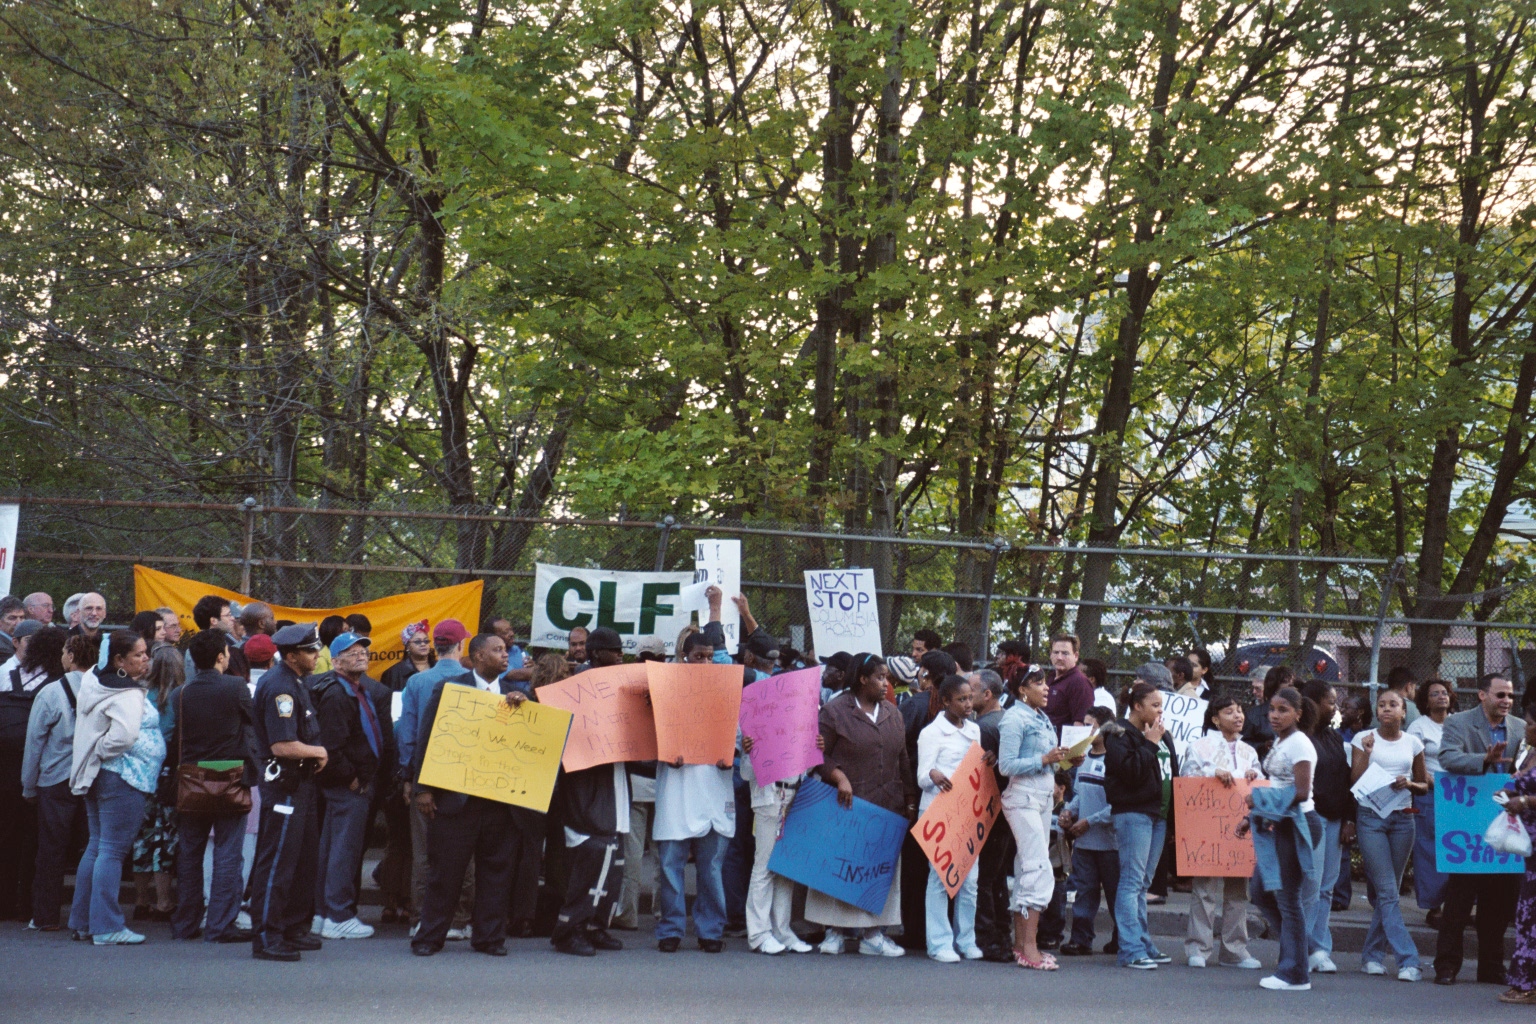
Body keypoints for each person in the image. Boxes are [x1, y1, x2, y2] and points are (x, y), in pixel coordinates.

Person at [409, 638, 530, 958]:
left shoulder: (516, 695)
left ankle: (489, 937)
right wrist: (422, 788)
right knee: (445, 872)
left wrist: (524, 710)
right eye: (498, 650)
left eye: (506, 651)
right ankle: (429, 936)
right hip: (456, 799)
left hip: (500, 803)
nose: (506, 655)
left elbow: (527, 745)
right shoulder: (450, 689)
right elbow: (428, 736)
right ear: (478, 656)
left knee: (496, 872)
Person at [811, 652, 916, 956]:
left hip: (886, 804)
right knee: (840, 869)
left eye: (887, 678)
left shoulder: (893, 713)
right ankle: (834, 931)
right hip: (846, 803)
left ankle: (873, 934)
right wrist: (838, 776)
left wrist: (909, 799)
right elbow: (817, 755)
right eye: (881, 677)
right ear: (862, 679)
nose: (887, 683)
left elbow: (903, 759)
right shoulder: (834, 711)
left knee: (877, 872)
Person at [68, 629, 163, 945]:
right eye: (138, 654)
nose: (146, 658)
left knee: (97, 845)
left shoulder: (96, 680)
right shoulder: (126, 693)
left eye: (146, 652)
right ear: (119, 660)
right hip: (124, 777)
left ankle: (84, 921)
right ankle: (106, 926)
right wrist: (103, 750)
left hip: (100, 776)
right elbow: (122, 737)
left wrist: (98, 753)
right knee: (111, 850)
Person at [1434, 673, 1525, 986]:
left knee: (1500, 902)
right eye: (1500, 695)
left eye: (1510, 696)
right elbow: (1447, 757)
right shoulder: (1459, 723)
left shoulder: (1519, 728)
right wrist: (1484, 760)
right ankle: (1446, 966)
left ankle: (1491, 967)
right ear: (1482, 695)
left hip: (1506, 822)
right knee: (1459, 900)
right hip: (1469, 824)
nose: (1506, 701)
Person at [247, 623, 330, 961]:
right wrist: (318, 752)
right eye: (310, 651)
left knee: (301, 860)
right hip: (285, 783)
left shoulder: (296, 681)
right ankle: (267, 936)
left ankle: (293, 926)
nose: (316, 655)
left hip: (301, 785)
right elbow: (282, 745)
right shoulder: (281, 687)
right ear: (293, 655)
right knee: (278, 860)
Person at [169, 628, 256, 943]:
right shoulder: (236, 687)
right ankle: (220, 924)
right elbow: (252, 723)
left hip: (191, 778)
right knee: (228, 852)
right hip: (230, 776)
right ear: (221, 656)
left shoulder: (182, 693)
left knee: (189, 853)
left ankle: (186, 923)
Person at [395, 618, 473, 935]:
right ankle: (459, 919)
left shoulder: (416, 682)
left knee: (424, 851)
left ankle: (421, 919)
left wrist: (408, 777)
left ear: (435, 646)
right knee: (464, 851)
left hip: (425, 776)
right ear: (461, 645)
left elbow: (407, 734)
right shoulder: (475, 682)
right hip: (465, 779)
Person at [1244, 686, 1323, 992]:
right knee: (1261, 891)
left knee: (1288, 899)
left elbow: (1301, 792)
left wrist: (1259, 800)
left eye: (1282, 710)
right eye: (1272, 710)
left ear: (1298, 714)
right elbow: (1279, 783)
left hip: (1300, 823)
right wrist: (1248, 817)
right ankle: (1297, 951)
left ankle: (1295, 973)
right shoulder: (1281, 740)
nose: (1274, 716)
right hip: (1279, 821)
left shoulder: (1300, 744)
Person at [1351, 688, 1429, 981]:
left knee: (1389, 893)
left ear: (1403, 711)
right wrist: (1368, 754)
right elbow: (1355, 781)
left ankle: (1371, 957)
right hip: (1371, 818)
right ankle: (1409, 960)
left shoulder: (1413, 742)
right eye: (1381, 705)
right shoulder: (1364, 739)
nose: (1386, 709)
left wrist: (1408, 783)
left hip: (1402, 819)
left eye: (1392, 705)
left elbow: (1424, 785)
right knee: (1386, 891)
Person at [309, 631, 383, 940]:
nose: (361, 656)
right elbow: (332, 747)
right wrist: (353, 779)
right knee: (344, 850)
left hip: (348, 784)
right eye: (352, 653)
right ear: (336, 661)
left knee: (332, 849)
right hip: (348, 787)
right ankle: (338, 914)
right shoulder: (338, 694)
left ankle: (322, 913)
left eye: (364, 651)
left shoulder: (353, 689)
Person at [1180, 694, 1262, 969]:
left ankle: (1234, 949)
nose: (1238, 715)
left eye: (1240, 710)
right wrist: (1212, 774)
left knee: (1238, 889)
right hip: (1208, 827)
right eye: (1230, 711)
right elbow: (1187, 781)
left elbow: (1259, 783)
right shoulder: (1199, 747)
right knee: (1204, 888)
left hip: (1239, 825)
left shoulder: (1249, 751)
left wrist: (1253, 776)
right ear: (1215, 718)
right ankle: (1198, 948)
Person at [1102, 681, 1178, 970]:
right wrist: (1150, 743)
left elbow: (1172, 771)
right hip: (1134, 813)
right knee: (1132, 881)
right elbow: (1132, 773)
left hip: (1158, 816)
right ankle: (1130, 949)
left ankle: (1143, 943)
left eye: (1162, 705)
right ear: (1137, 706)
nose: (1160, 711)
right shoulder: (1119, 734)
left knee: (1143, 883)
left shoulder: (1160, 734)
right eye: (1155, 705)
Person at [999, 668, 1071, 970]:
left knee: (1028, 866)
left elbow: (1049, 760)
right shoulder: (1014, 719)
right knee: (1037, 866)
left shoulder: (1040, 717)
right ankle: (1030, 948)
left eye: (1045, 682)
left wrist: (1066, 761)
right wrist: (1045, 760)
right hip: (1023, 797)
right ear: (1022, 689)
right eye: (1037, 683)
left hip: (1042, 796)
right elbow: (1006, 765)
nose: (1045, 688)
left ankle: (1022, 944)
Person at [917, 675, 987, 962]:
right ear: (945, 701)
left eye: (970, 698)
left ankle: (966, 939)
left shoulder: (974, 730)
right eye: (961, 699)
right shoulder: (931, 733)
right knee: (940, 878)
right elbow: (922, 775)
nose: (968, 704)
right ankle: (939, 943)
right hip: (939, 811)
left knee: (970, 880)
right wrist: (933, 775)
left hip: (967, 811)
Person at [17, 626, 71, 929]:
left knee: (46, 849)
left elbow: (35, 740)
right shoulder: (91, 687)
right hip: (84, 777)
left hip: (50, 778)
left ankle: (41, 912)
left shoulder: (45, 690)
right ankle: (84, 916)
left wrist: (29, 783)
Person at [0, 621, 54, 921]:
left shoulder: (50, 676)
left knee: (34, 838)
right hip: (6, 769)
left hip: (39, 767)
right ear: (16, 642)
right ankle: (5, 900)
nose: (34, 645)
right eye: (29, 640)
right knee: (7, 836)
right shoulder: (1, 674)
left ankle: (28, 904)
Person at [1300, 678, 1354, 974]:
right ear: (1313, 703)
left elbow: (1345, 779)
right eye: (1331, 702)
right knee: (1310, 885)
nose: (1335, 708)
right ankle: (1303, 947)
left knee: (1327, 887)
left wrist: (1349, 818)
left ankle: (1320, 947)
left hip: (1334, 819)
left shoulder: (1334, 738)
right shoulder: (1300, 737)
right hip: (1312, 818)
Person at [1059, 706, 1118, 957]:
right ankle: (1081, 939)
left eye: (1090, 725)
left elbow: (1117, 805)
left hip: (1110, 843)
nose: (1085, 730)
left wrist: (1090, 821)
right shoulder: (1082, 760)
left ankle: (1123, 939)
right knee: (1085, 892)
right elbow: (1080, 793)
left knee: (1116, 895)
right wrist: (1069, 812)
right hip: (1084, 842)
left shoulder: (1114, 761)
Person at [130, 646, 181, 923]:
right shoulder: (181, 697)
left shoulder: (139, 696)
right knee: (166, 837)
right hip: (169, 776)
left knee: (142, 836)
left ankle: (140, 899)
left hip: (142, 774)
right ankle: (164, 901)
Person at [972, 668, 1016, 962]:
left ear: (987, 695)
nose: (966, 696)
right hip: (1007, 812)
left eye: (971, 691)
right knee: (997, 876)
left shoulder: (984, 728)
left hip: (989, 812)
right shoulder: (1007, 721)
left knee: (984, 878)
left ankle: (989, 940)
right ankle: (1002, 934)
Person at [1494, 715, 1536, 1004]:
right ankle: (1525, 980)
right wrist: (1511, 793)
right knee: (1527, 914)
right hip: (1531, 847)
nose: (1525, 728)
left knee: (1531, 916)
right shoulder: (1530, 754)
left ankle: (1528, 985)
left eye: (1530, 723)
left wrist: (1526, 802)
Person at [1408, 678, 1453, 924]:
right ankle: (1434, 907)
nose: (1441, 697)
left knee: (1457, 845)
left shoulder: (1458, 723)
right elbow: (1417, 765)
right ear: (1425, 700)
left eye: (1444, 693)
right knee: (1430, 849)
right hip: (1431, 794)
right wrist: (1436, 783)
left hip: (1458, 794)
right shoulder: (1419, 726)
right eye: (1434, 694)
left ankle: (1458, 906)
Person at [1044, 634, 1094, 731]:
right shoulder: (1050, 678)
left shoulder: (1080, 683)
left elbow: (1080, 725)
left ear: (1075, 656)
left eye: (1065, 653)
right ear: (1050, 654)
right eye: (1056, 652)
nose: (1059, 657)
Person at [1241, 665, 1290, 761]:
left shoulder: (1292, 712)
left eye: (1258, 688)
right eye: (1253, 688)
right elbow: (1242, 744)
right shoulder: (1253, 714)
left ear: (1269, 686)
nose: (1254, 692)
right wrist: (1262, 747)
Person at [382, 621, 434, 692]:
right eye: (417, 642)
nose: (423, 644)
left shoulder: (439, 668)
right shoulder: (393, 674)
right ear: (407, 647)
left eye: (426, 641)